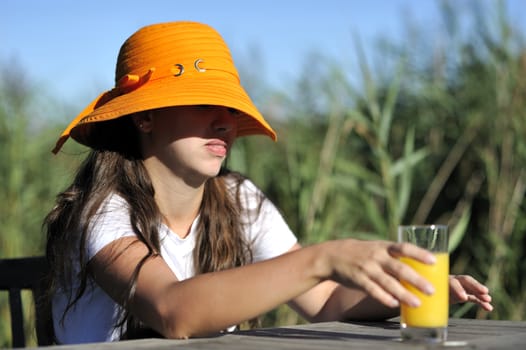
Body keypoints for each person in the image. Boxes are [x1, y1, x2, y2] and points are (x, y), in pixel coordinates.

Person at [44, 21, 493, 344]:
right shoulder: (103, 210)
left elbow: (327, 301)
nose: (226, 123)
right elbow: (172, 311)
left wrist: (409, 288)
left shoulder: (238, 199)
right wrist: (324, 257)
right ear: (144, 116)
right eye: (204, 104)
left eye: (232, 109)